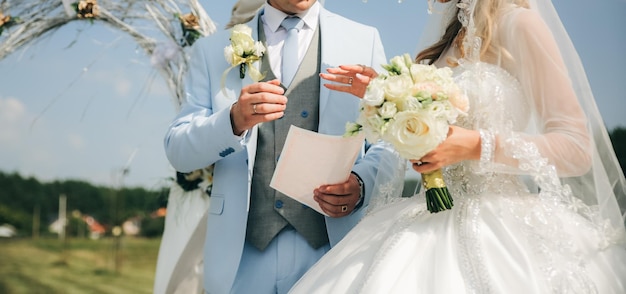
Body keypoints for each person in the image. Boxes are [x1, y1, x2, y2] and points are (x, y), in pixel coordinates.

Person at [289, 0, 626, 293]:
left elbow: (576, 147)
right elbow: (430, 132)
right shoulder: (446, 41)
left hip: (502, 228)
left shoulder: (519, 23)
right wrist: (387, 96)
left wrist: (479, 146)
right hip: (427, 213)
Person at [163, 0, 389, 293]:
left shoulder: (363, 39)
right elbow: (178, 151)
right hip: (242, 257)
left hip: (333, 251)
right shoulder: (211, 51)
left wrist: (361, 183)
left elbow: (389, 142)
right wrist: (232, 120)